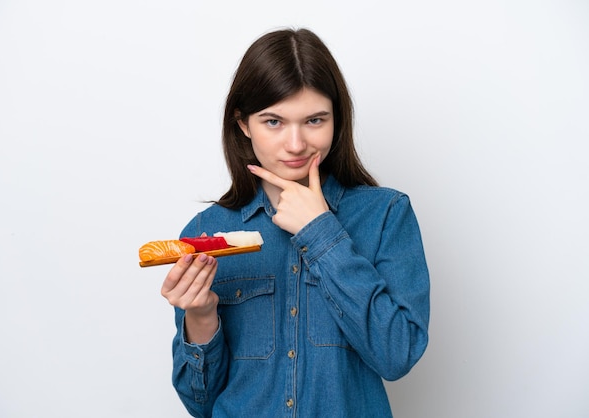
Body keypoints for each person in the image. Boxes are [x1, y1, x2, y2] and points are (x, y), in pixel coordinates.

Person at [160, 27, 430, 418]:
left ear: (337, 119)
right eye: (273, 122)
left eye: (314, 120)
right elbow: (200, 404)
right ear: (243, 124)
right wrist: (200, 317)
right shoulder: (206, 234)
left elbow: (397, 355)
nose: (296, 144)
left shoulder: (386, 215)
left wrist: (321, 232)